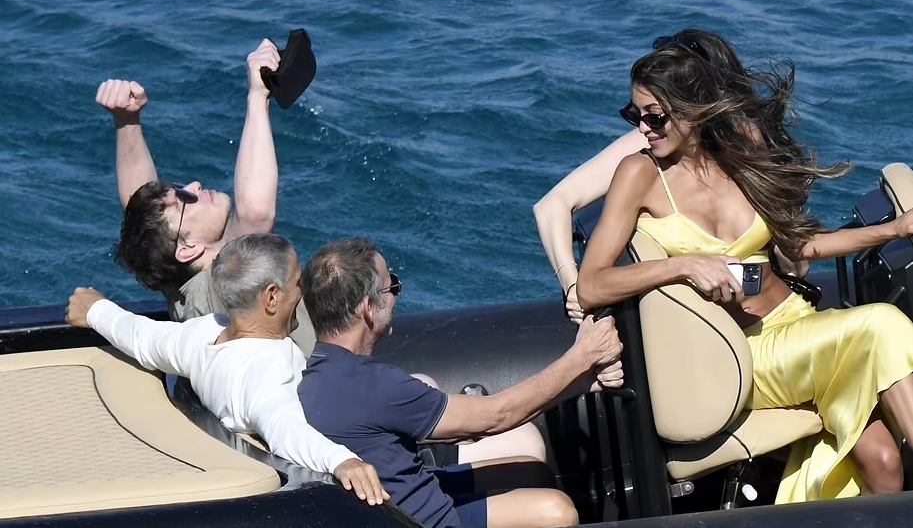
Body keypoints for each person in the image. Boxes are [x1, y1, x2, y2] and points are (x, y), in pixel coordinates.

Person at [572, 29, 913, 503]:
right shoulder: (640, 173)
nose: (643, 127)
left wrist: (894, 230)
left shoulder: (741, 150)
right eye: (635, 115)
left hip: (800, 329)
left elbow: (800, 245)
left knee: (884, 463)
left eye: (654, 116)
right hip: (741, 356)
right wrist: (684, 265)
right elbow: (591, 285)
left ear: (694, 110)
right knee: (882, 324)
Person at [298, 237, 625, 528]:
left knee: (531, 471)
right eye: (391, 286)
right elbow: (495, 417)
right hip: (425, 519)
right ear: (369, 308)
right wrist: (583, 355)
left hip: (404, 499)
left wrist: (579, 383)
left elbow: (471, 429)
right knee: (557, 511)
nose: (397, 294)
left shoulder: (315, 378)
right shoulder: (375, 385)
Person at [64, 233, 388, 505]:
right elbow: (284, 428)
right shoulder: (265, 369)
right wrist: (341, 461)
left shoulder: (202, 334)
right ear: (271, 297)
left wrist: (95, 310)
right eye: (297, 282)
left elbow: (142, 337)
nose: (303, 291)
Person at [96, 39, 316, 355]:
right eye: (185, 198)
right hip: (314, 381)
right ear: (188, 249)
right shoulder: (221, 288)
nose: (195, 185)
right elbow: (255, 215)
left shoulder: (178, 277)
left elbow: (140, 204)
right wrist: (258, 97)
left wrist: (126, 121)